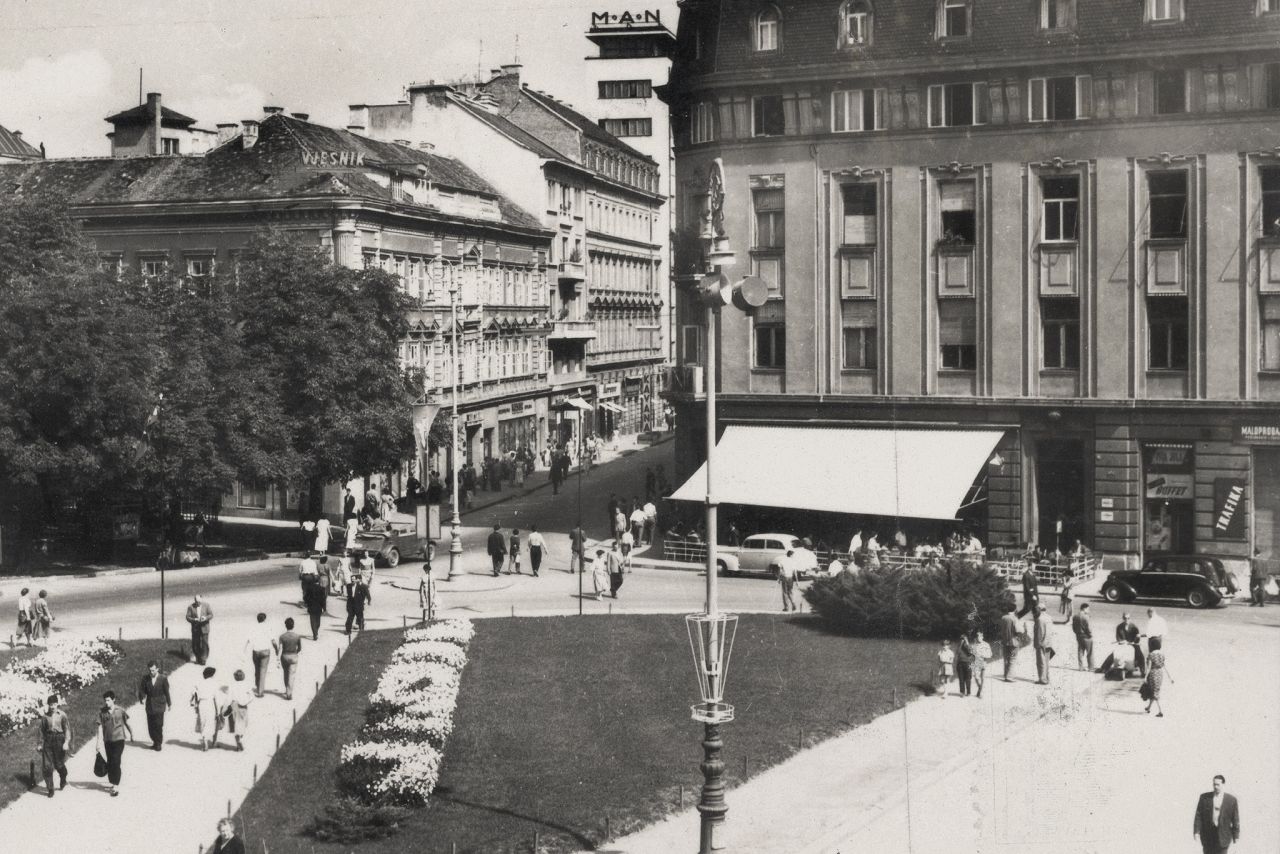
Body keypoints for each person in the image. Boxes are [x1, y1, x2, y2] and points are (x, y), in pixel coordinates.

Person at [96, 690, 132, 795]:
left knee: (116, 761)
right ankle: (112, 781)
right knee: (110, 762)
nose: (106, 702)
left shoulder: (120, 710)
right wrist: (98, 743)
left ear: (113, 700)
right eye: (105, 700)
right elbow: (98, 728)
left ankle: (115, 785)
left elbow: (126, 723)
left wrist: (131, 733)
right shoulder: (102, 712)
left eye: (108, 700)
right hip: (108, 741)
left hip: (119, 740)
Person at [1193, 774, 1240, 854]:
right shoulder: (1204, 798)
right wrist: (1196, 832)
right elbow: (1198, 815)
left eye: (1218, 785)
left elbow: (1235, 819)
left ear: (1223, 784)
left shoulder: (1231, 800)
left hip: (1224, 837)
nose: (1215, 787)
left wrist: (1236, 837)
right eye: (1214, 784)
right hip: (1208, 837)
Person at [35, 693, 71, 797]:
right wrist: (39, 744)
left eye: (54, 704)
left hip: (59, 740)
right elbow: (41, 731)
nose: (52, 707)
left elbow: (67, 729)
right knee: (47, 766)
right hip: (48, 741)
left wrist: (66, 742)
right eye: (50, 705)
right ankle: (50, 788)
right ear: (48, 705)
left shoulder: (62, 715)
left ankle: (63, 777)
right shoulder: (45, 717)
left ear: (57, 704)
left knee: (59, 764)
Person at [136, 661, 171, 751]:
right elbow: (142, 690)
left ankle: (158, 743)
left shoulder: (163, 678)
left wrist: (169, 703)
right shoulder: (145, 678)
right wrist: (141, 698)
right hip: (150, 704)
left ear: (157, 669)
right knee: (151, 726)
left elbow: (167, 692)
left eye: (153, 670)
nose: (151, 672)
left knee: (158, 724)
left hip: (160, 704)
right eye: (150, 670)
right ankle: (155, 741)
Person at [1142, 637, 1174, 717]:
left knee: (1154, 692)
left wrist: (1145, 677)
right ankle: (1148, 707)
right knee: (1155, 690)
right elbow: (1165, 666)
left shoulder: (1151, 655)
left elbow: (1149, 667)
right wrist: (1170, 677)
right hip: (1160, 673)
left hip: (1153, 673)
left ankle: (1161, 711)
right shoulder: (1162, 655)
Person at [191, 667, 220, 750]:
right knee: (210, 722)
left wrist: (196, 706)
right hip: (210, 703)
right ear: (211, 675)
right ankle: (212, 741)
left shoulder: (199, 683)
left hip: (202, 703)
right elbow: (216, 698)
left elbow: (193, 694)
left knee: (203, 722)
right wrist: (218, 711)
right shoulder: (214, 684)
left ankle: (205, 742)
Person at [245, 613, 274, 698]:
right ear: (264, 619)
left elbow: (248, 640)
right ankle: (260, 691)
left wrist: (244, 651)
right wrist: (276, 649)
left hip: (256, 651)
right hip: (265, 652)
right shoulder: (268, 627)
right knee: (263, 671)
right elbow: (273, 641)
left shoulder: (254, 627)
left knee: (257, 670)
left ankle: (258, 685)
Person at [274, 618, 303, 700]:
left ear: (285, 625)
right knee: (291, 675)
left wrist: (278, 658)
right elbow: (300, 648)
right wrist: (296, 652)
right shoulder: (297, 636)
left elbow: (280, 648)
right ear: (293, 625)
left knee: (286, 673)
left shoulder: (282, 636)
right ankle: (289, 693)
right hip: (293, 656)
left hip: (284, 656)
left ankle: (287, 690)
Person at [224, 670, 253, 751]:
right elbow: (251, 696)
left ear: (235, 677)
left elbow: (229, 698)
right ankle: (240, 739)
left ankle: (238, 742)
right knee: (242, 724)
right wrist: (246, 701)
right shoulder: (247, 685)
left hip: (234, 705)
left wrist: (225, 707)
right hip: (243, 706)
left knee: (235, 725)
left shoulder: (232, 685)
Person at [186, 594, 213, 665]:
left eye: (199, 602)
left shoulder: (207, 605)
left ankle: (204, 659)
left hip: (205, 627)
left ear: (201, 600)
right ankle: (198, 658)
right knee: (195, 644)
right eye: (196, 602)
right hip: (196, 628)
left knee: (205, 644)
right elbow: (187, 617)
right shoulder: (190, 607)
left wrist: (205, 618)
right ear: (194, 601)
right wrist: (194, 619)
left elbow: (211, 615)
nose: (198, 603)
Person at [1033, 604, 1054, 684]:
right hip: (1048, 642)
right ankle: (1047, 678)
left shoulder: (1039, 619)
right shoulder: (1049, 617)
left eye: (1037, 609)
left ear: (1039, 609)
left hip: (1041, 643)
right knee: (1046, 662)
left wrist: (1039, 643)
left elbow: (1039, 632)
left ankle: (1042, 679)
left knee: (1041, 662)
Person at [999, 604, 1020, 682]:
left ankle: (1006, 675)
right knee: (1012, 659)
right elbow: (1018, 630)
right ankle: (1009, 677)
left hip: (1005, 641)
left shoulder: (1003, 618)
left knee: (1006, 659)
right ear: (1015, 609)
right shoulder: (1014, 618)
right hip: (1013, 641)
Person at [1072, 603, 1094, 671]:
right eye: (1088, 609)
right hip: (1086, 636)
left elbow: (1073, 627)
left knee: (1080, 651)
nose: (1089, 610)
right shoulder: (1086, 617)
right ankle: (1090, 667)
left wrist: (1077, 633)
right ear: (1085, 608)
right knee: (1089, 652)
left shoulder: (1075, 616)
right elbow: (1088, 628)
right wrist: (1090, 635)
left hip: (1079, 636)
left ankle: (1080, 667)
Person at [303, 576, 327, 641]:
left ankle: (315, 633)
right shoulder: (322, 589)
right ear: (318, 581)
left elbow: (305, 597)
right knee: (318, 622)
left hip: (311, 607)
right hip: (318, 607)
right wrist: (324, 608)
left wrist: (307, 603)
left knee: (312, 621)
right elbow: (323, 599)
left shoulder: (309, 588)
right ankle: (315, 631)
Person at [971, 631, 991, 698]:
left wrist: (984, 655)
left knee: (982, 678)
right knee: (976, 677)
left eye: (980, 636)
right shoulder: (974, 645)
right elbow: (971, 654)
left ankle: (980, 692)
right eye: (977, 636)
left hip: (983, 662)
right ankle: (980, 688)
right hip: (976, 663)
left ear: (982, 637)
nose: (978, 638)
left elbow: (990, 654)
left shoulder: (986, 644)